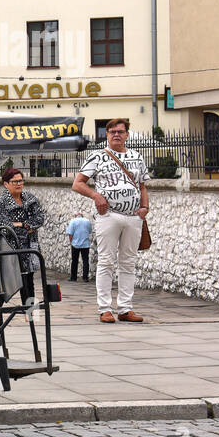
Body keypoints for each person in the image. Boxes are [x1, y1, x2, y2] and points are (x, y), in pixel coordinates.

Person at [73, 118, 150, 323]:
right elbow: (78, 183)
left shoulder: (136, 157)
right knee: (106, 261)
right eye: (112, 131)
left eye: (120, 131)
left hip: (133, 216)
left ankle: (125, 308)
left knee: (128, 262)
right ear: (106, 135)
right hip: (109, 215)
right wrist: (96, 196)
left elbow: (142, 185)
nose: (116, 135)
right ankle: (104, 308)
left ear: (127, 135)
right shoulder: (97, 156)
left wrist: (145, 208)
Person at [0, 167, 46, 322]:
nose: (19, 184)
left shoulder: (30, 198)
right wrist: (26, 226)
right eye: (15, 181)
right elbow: (5, 225)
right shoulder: (2, 202)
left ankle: (29, 313)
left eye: (21, 180)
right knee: (5, 279)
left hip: (28, 246)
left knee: (28, 278)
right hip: (6, 245)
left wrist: (23, 225)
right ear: (6, 184)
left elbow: (40, 218)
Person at [66, 214, 93, 283]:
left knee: (74, 261)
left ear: (76, 216)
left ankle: (73, 277)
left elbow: (70, 233)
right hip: (85, 244)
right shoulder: (87, 221)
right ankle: (85, 277)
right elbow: (90, 231)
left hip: (75, 244)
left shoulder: (73, 221)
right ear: (82, 216)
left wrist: (71, 242)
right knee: (85, 261)